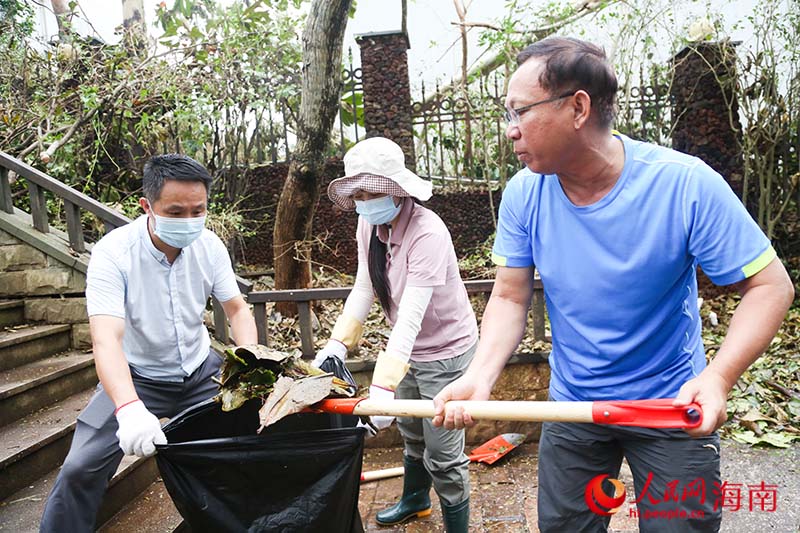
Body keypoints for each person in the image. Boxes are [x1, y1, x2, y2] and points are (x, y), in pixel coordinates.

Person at [432, 36, 794, 533]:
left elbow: (771, 286)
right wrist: (480, 374)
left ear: (578, 107)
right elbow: (510, 296)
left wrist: (718, 377)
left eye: (520, 112)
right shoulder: (524, 192)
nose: (510, 131)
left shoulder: (685, 185)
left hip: (671, 406)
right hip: (575, 406)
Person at [40, 154, 258, 532]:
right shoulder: (114, 253)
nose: (189, 221)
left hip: (200, 369)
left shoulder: (209, 246)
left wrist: (248, 362)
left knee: (244, 450)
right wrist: (127, 408)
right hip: (137, 374)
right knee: (80, 469)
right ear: (147, 207)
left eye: (198, 210)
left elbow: (237, 309)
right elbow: (105, 337)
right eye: (176, 211)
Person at [316, 137, 478, 532]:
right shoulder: (368, 224)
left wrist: (383, 386)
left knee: (443, 453)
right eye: (358, 193)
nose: (363, 200)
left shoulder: (428, 232)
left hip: (445, 353)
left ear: (396, 190)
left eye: (371, 192)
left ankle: (457, 523)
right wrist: (336, 346)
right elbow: (364, 287)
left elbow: (410, 316)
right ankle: (416, 501)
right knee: (411, 434)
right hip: (406, 354)